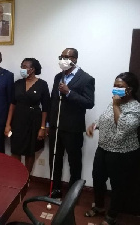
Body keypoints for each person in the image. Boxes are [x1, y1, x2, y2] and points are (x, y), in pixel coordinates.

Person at [84, 72, 140, 225]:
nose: (115, 89)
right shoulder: (114, 103)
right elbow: (105, 118)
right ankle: (99, 207)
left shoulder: (136, 109)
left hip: (122, 153)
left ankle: (112, 215)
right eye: (114, 85)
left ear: (129, 90)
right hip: (103, 148)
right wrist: (94, 125)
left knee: (117, 185)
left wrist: (116, 105)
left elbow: (123, 126)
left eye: (119, 86)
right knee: (98, 180)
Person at [48, 48, 95, 198]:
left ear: (75, 59)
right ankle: (55, 189)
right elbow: (53, 102)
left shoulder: (86, 78)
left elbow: (89, 103)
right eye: (61, 56)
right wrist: (49, 124)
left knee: (74, 162)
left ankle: (73, 194)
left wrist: (69, 92)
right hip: (56, 127)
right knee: (55, 159)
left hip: (73, 128)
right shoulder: (58, 77)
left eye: (66, 57)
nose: (63, 60)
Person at [4, 58, 50, 173]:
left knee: (30, 151)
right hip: (18, 120)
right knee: (16, 149)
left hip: (34, 121)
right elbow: (12, 104)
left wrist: (43, 127)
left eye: (25, 66)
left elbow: (46, 108)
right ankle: (17, 176)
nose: (22, 69)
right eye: (22, 66)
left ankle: (27, 178)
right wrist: (8, 124)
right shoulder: (18, 83)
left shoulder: (42, 84)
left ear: (32, 69)